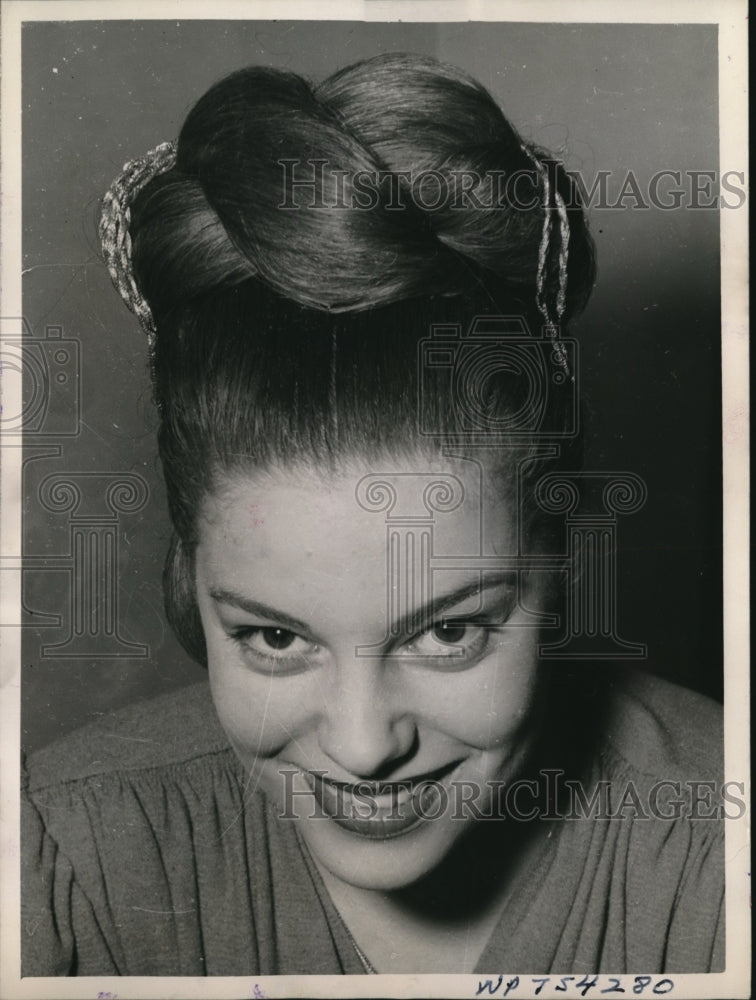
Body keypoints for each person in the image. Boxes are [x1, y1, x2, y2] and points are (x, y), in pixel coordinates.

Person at [21, 53, 724, 977]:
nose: (361, 747)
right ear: (189, 573)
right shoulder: (60, 853)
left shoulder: (720, 855)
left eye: (449, 633)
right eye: (274, 637)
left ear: (564, 561)